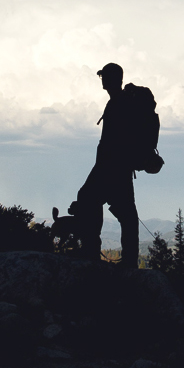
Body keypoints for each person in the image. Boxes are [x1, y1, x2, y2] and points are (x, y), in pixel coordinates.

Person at [72, 62, 139, 267]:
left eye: (105, 76)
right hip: (119, 167)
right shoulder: (120, 102)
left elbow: (112, 140)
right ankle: (128, 259)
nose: (102, 80)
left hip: (111, 166)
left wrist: (102, 165)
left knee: (88, 198)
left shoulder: (118, 103)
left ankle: (92, 251)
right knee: (125, 212)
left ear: (113, 79)